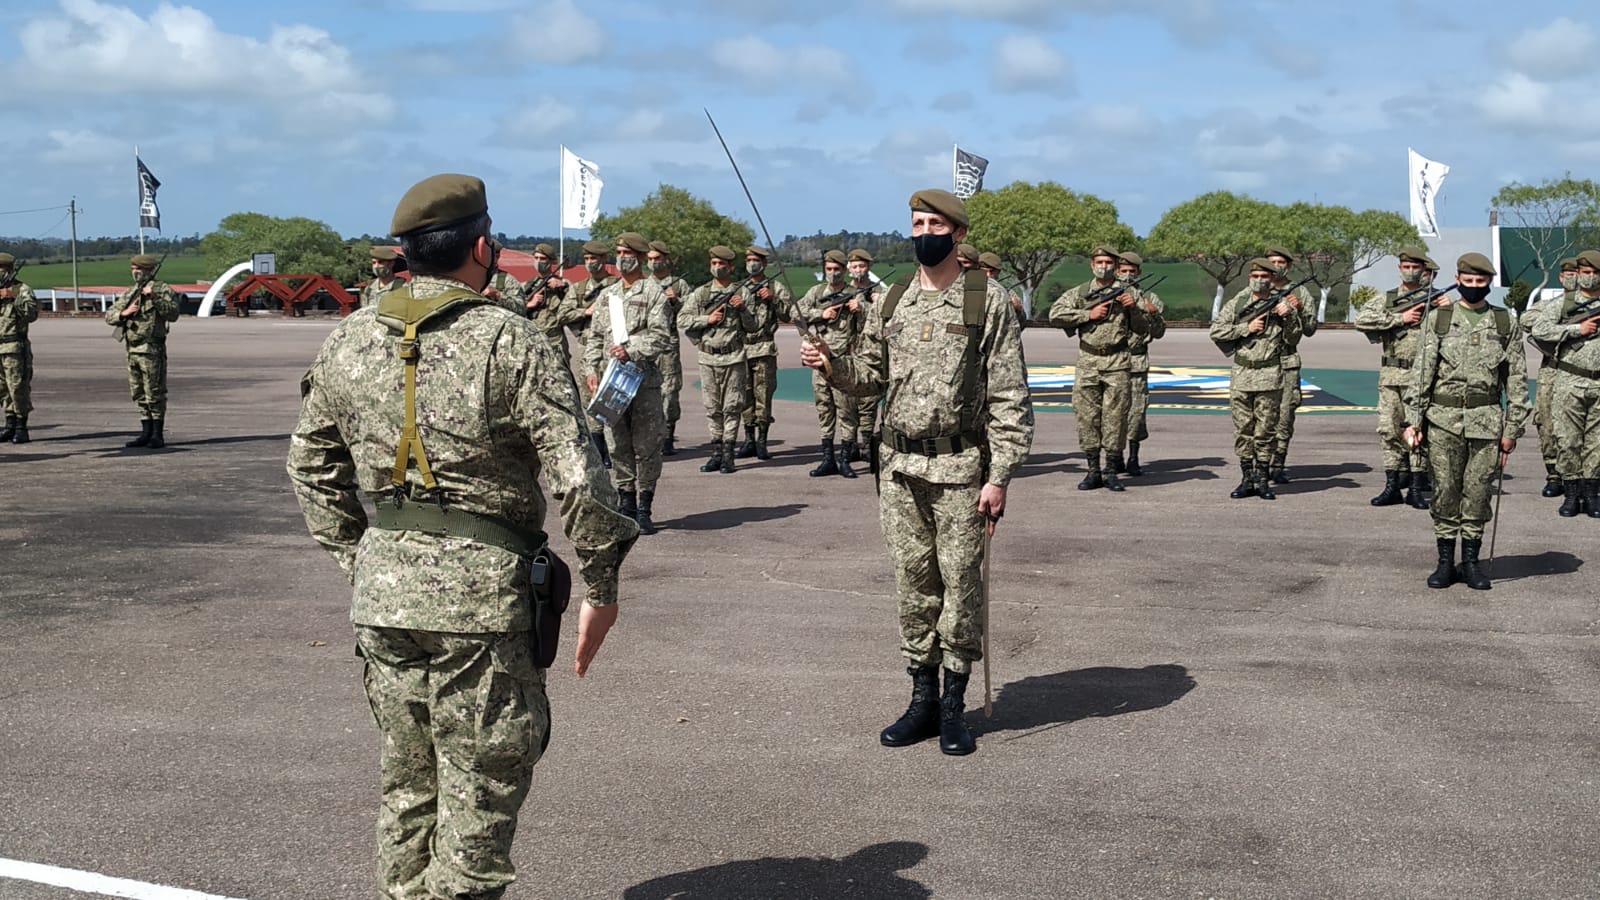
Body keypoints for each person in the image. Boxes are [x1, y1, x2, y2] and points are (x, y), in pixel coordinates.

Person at [286, 173, 638, 900]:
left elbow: (310, 469)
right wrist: (601, 586)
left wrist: (362, 559)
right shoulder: (511, 338)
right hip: (481, 602)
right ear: (483, 247)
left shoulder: (349, 338)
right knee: (479, 792)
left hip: (385, 593)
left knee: (409, 782)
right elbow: (580, 478)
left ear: (406, 253)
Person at [800, 189, 1033, 756]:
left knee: (960, 584)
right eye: (915, 223)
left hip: (959, 467)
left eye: (933, 223)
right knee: (913, 583)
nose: (922, 231)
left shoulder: (986, 299)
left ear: (955, 232)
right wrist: (831, 365)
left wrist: (999, 475)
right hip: (897, 465)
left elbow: (1009, 395)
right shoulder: (894, 299)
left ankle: (955, 707)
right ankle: (922, 700)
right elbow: (870, 377)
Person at [1404, 252, 1531, 590]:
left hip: (1487, 422)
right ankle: (1445, 562)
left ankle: (1471, 562)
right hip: (1442, 420)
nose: (1474, 287)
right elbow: (1421, 375)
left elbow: (1516, 379)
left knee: (1477, 494)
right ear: (1458, 280)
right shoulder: (1439, 319)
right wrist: (1412, 421)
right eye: (1468, 281)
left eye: (1481, 281)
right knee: (1445, 492)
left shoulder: (1505, 323)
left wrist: (1512, 428)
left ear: (1489, 283)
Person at [585, 232, 673, 534]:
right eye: (618, 252)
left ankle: (646, 506)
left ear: (638, 256)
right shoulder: (608, 295)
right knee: (617, 444)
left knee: (647, 446)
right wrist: (591, 370)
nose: (621, 257)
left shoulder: (653, 292)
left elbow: (661, 336)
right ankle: (627, 504)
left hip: (642, 381)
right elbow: (595, 336)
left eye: (626, 252)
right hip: (612, 381)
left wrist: (632, 349)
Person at [1355, 246, 1456, 508]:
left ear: (1425, 271)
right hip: (1391, 375)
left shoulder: (1437, 300)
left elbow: (1456, 334)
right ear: (1400, 269)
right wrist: (1400, 318)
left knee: (1418, 431)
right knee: (1389, 430)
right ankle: (1391, 485)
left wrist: (1448, 309)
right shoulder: (1387, 299)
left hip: (1422, 376)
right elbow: (1362, 321)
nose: (1410, 271)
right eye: (1406, 267)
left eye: (1416, 267)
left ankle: (1415, 486)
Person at [1048, 245, 1150, 491]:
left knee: (1115, 419)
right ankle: (1092, 470)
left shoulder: (1129, 293)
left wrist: (1132, 308)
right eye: (1099, 262)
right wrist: (1087, 315)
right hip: (1088, 361)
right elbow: (1055, 315)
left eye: (1108, 262)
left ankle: (1111, 471)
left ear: (1115, 266)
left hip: (1117, 362)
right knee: (1087, 417)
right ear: (1092, 265)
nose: (1104, 266)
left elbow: (1144, 328)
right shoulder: (1081, 292)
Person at [1208, 258, 1304, 500]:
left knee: (1266, 429)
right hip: (1242, 375)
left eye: (1265, 277)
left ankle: (1262, 478)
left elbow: (1293, 339)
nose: (1260, 281)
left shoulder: (1281, 304)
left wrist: (1289, 316)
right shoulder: (1238, 302)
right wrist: (1245, 329)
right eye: (1256, 276)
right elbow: (1216, 331)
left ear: (1272, 279)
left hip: (1270, 375)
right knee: (1243, 430)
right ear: (1250, 278)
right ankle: (1246, 477)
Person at [1529, 249, 1600, 519]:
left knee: (1596, 443)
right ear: (1578, 274)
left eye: (1595, 274)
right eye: (1586, 273)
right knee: (1568, 440)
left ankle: (1591, 494)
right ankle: (1571, 494)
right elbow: (1540, 329)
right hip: (1569, 380)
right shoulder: (1563, 303)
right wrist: (1576, 330)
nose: (1590, 278)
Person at [679, 245, 756, 475]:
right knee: (712, 407)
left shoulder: (743, 294)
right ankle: (716, 451)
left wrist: (742, 309)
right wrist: (707, 319)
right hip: (707, 357)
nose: (717, 267)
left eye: (722, 264)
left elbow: (753, 327)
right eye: (713, 263)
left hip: (733, 357)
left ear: (731, 267)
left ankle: (729, 453)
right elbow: (683, 319)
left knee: (732, 406)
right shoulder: (701, 293)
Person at [796, 249, 867, 478]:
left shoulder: (855, 293)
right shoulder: (816, 292)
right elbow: (796, 314)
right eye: (829, 269)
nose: (833, 273)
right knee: (824, 409)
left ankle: (846, 459)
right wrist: (821, 314)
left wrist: (861, 309)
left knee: (847, 411)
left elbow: (874, 324)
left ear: (845, 270)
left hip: (845, 361)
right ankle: (828, 458)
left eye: (837, 269)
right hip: (820, 362)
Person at [105, 253, 181, 449]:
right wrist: (124, 313)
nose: (134, 273)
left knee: (154, 391)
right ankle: (145, 431)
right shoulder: (131, 292)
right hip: (132, 349)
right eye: (132, 269)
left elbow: (172, 314)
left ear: (148, 270)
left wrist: (153, 297)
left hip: (151, 349)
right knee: (138, 392)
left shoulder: (162, 289)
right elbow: (110, 315)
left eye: (138, 269)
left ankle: (157, 433)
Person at [1523, 257, 1578, 500]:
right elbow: (1527, 320)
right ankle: (1554, 474)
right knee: (1546, 421)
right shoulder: (1551, 304)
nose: (1573, 279)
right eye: (1568, 275)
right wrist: (1561, 321)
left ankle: (1581, 478)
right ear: (1561, 278)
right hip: (1552, 371)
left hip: (1581, 371)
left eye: (1577, 273)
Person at [1263, 247, 1317, 483]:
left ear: (1289, 266)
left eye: (1281, 262)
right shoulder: (1256, 289)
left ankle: (1278, 463)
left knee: (1284, 416)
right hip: (1260, 363)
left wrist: (1301, 310)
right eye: (1272, 261)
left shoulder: (1300, 292)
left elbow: (1311, 329)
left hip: (1287, 361)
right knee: (1262, 417)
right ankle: (1259, 465)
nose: (1277, 266)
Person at [737, 245, 790, 460]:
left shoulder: (776, 286)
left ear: (764, 263)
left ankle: (762, 440)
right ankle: (748, 438)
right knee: (744, 395)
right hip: (741, 349)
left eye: (756, 260)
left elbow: (788, 315)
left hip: (764, 347)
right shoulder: (739, 288)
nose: (752, 263)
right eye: (749, 259)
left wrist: (773, 299)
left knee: (763, 395)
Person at [568, 240, 616, 466]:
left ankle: (615, 451)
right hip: (586, 349)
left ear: (604, 260)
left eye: (594, 259)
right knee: (589, 401)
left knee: (611, 401)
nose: (589, 263)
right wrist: (585, 312)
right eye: (586, 259)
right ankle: (598, 452)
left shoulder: (616, 285)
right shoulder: (578, 288)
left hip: (612, 350)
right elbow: (562, 315)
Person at [1116, 251, 1164, 475]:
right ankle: (1114, 457)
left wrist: (1153, 314)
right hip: (1112, 361)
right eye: (1123, 271)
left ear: (1138, 273)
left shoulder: (1151, 299)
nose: (1127, 275)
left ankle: (1134, 457)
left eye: (1131, 272)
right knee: (1112, 414)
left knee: (1136, 414)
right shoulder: (1108, 295)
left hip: (1136, 363)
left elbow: (1159, 332)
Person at [648, 240, 691, 456]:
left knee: (670, 391)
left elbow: (688, 315)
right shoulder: (644, 283)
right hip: (647, 345)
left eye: (657, 258)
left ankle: (667, 436)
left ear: (666, 259)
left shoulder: (678, 284)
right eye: (650, 259)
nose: (653, 263)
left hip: (668, 345)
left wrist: (676, 301)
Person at [844, 248, 885, 458]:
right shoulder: (842, 290)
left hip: (869, 351)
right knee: (847, 403)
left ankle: (867, 443)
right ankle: (849, 445)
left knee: (869, 401)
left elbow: (887, 318)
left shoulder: (878, 292)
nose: (858, 270)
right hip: (847, 350)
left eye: (862, 266)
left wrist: (865, 307)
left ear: (869, 267)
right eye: (854, 266)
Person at [0, 252, 38, 443]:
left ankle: (22, 426)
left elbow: (32, 313)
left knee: (17, 388)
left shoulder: (22, 289)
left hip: (15, 346)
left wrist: (14, 297)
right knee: (3, 389)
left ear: (8, 270)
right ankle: (9, 424)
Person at [523, 242, 571, 363]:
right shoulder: (526, 286)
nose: (539, 261)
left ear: (551, 261)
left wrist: (563, 285)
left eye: (543, 258)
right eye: (536, 258)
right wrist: (529, 305)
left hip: (555, 340)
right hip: (532, 338)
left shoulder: (563, 284)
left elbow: (576, 302)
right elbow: (513, 309)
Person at [481, 239, 526, 314]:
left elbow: (521, 309)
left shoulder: (507, 280)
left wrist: (498, 295)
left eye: (495, 255)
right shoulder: (470, 277)